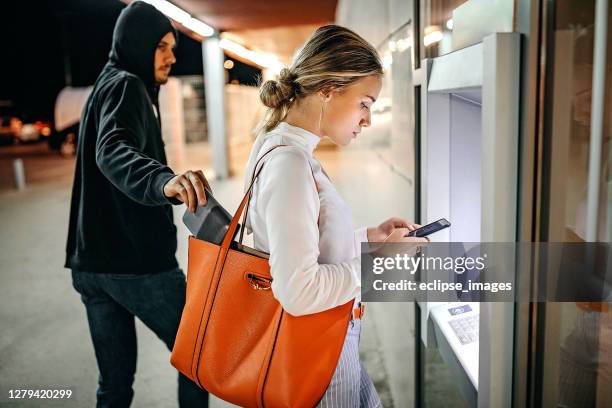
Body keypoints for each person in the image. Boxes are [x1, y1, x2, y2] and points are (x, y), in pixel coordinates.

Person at [244, 25, 428, 407]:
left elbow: (305, 242)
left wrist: (368, 237)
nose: (368, 120)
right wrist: (379, 263)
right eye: (365, 102)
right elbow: (298, 291)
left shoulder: (280, 146)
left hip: (326, 346)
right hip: (319, 355)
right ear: (327, 89)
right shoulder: (290, 164)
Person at [65, 2, 209, 407]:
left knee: (114, 384)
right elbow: (112, 150)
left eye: (172, 47)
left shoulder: (106, 85)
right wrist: (163, 181)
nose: (171, 56)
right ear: (137, 44)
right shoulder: (128, 85)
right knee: (198, 354)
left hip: (92, 265)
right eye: (161, 46)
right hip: (136, 265)